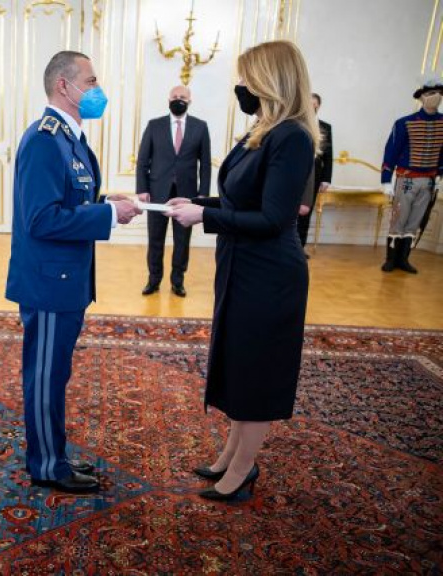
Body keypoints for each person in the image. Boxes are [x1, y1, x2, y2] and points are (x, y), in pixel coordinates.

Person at [166, 40, 317, 501]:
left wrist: (205, 217)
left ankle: (242, 470)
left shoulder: (292, 137)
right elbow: (241, 199)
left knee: (256, 372)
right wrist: (199, 202)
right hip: (241, 265)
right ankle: (231, 456)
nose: (241, 86)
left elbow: (273, 218)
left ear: (271, 80)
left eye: (247, 78)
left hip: (269, 273)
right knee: (238, 363)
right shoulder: (262, 131)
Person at [5, 51, 141, 493]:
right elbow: (41, 219)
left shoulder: (69, 138)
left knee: (55, 373)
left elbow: (69, 200)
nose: (98, 89)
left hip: (65, 281)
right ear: (64, 85)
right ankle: (47, 466)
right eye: (92, 80)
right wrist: (108, 216)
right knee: (45, 377)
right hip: (49, 284)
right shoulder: (45, 140)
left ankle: (54, 453)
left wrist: (107, 203)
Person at [136, 85, 211, 297]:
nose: (179, 100)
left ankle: (178, 281)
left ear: (190, 101)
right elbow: (143, 160)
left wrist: (203, 194)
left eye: (183, 97)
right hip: (157, 191)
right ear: (168, 100)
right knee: (155, 238)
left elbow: (205, 164)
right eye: (175, 96)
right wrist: (142, 189)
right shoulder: (154, 125)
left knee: (182, 240)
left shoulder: (200, 127)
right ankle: (153, 280)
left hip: (187, 194)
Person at [379, 75, 443, 274]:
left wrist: (440, 174)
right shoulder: (405, 123)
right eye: (430, 93)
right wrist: (386, 180)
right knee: (399, 219)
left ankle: (403, 259)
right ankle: (391, 259)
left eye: (438, 93)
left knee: (415, 221)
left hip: (429, 180)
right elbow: (391, 151)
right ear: (422, 97)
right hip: (407, 178)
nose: (435, 96)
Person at [297, 93, 332, 252]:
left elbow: (328, 156)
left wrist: (326, 179)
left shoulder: (325, 127)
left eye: (313, 104)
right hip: (294, 171)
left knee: (306, 211)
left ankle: (300, 248)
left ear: (318, 106)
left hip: (315, 174)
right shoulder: (296, 124)